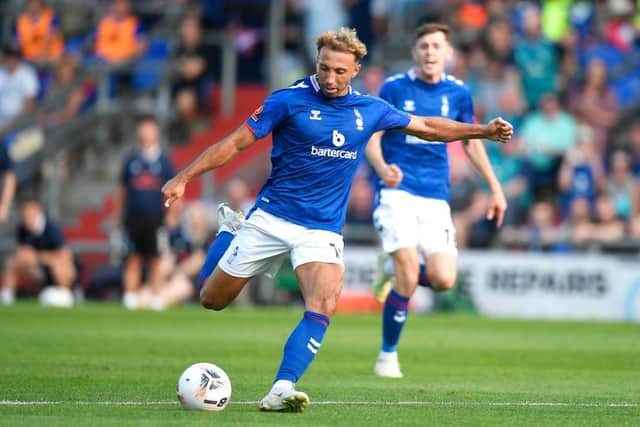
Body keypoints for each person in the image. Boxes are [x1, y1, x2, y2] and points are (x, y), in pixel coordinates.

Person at [161, 27, 512, 413]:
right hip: (272, 218)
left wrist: (482, 131)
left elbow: (428, 126)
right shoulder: (288, 100)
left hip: (322, 229)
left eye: (340, 72)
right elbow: (235, 143)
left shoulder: (369, 109)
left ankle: (282, 387)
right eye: (324, 68)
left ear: (356, 69)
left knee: (324, 304)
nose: (330, 78)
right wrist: (184, 178)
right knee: (212, 300)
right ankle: (230, 231)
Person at [364, 23, 507, 378]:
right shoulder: (395, 87)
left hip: (435, 197)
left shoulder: (459, 93)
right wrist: (382, 168)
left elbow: (471, 141)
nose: (430, 52)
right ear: (415, 52)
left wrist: (496, 188)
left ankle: (391, 268)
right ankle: (387, 356)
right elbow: (372, 133)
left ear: (449, 53)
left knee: (444, 280)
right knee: (409, 276)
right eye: (424, 45)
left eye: (436, 46)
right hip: (397, 192)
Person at [111, 115, 175, 310]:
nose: (145, 133)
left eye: (149, 129)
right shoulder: (131, 160)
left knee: (156, 258)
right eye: (142, 129)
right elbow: (122, 190)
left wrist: (172, 215)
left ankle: (156, 296)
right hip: (133, 219)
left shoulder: (164, 162)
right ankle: (130, 295)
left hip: (156, 219)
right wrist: (116, 214)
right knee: (132, 257)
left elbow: (174, 190)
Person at [1, 199, 76, 306]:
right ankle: (6, 297)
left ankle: (66, 294)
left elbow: (65, 255)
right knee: (12, 262)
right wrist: (26, 257)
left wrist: (37, 257)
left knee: (60, 265)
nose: (27, 217)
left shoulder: (51, 228)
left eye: (30, 214)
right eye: (25, 215)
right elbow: (22, 252)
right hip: (37, 269)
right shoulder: (22, 229)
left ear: (38, 213)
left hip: (55, 266)